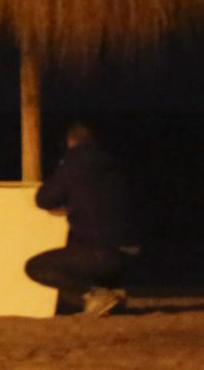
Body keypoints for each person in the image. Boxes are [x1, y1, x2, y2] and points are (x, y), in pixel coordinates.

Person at [25, 122, 138, 316]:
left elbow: (44, 198)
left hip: (101, 253)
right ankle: (112, 293)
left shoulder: (74, 164)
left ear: (71, 142)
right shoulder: (115, 164)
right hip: (132, 251)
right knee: (86, 247)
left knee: (37, 266)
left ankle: (92, 295)